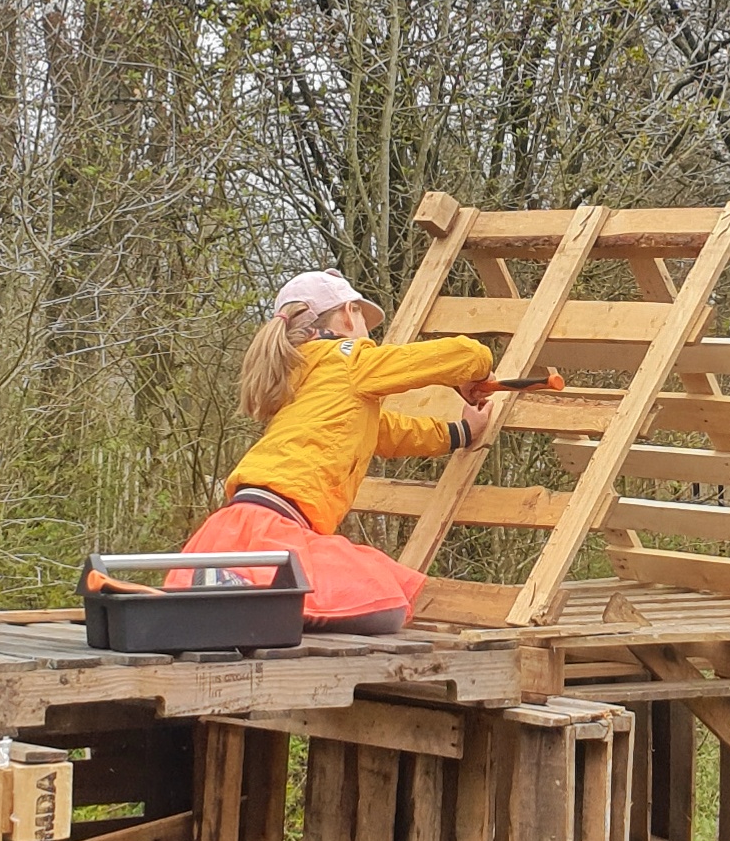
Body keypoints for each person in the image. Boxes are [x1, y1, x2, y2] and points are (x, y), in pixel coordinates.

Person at [177, 270, 497, 633]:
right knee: (384, 603)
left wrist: (462, 431)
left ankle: (243, 596)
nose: (368, 331)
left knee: (383, 600)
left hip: (241, 520)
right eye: (362, 316)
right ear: (347, 314)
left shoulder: (302, 376)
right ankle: (255, 600)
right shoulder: (348, 359)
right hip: (277, 524)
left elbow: (388, 433)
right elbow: (458, 355)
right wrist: (477, 369)